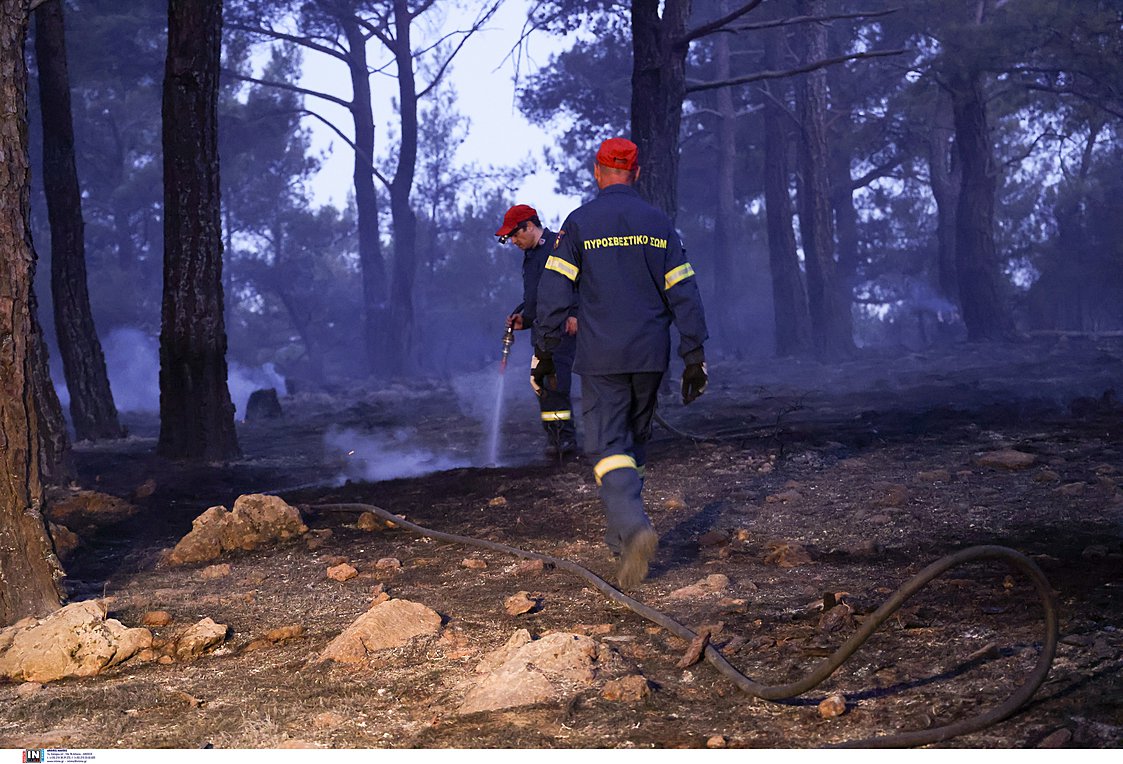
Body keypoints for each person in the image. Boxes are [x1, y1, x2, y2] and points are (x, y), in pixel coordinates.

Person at [531, 137, 709, 590]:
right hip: (651, 357)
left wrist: (545, 352)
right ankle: (619, 540)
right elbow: (684, 292)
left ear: (597, 171)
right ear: (638, 172)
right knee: (634, 445)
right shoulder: (659, 223)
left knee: (607, 446)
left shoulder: (580, 224)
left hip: (602, 357)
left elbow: (552, 295)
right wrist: (694, 355)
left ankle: (634, 528)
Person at [495, 204, 579, 458]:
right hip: (543, 331)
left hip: (562, 328)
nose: (512, 241)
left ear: (529, 226)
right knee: (541, 382)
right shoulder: (531, 257)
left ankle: (565, 440)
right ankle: (554, 437)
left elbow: (579, 282)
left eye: (514, 235)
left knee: (555, 382)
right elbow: (537, 299)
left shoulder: (558, 246)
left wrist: (575, 313)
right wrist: (525, 319)